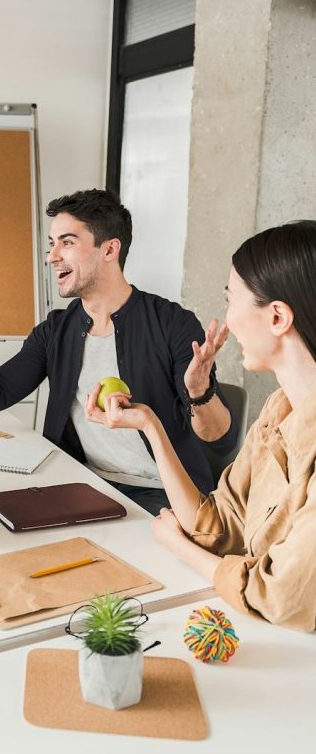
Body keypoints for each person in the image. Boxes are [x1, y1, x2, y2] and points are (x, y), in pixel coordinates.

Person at [0, 189, 238, 515]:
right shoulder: (56, 329)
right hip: (82, 483)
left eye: (67, 243)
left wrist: (199, 390)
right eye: (52, 244)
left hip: (163, 494)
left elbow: (219, 439)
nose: (51, 256)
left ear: (109, 249)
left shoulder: (172, 323)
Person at [86, 220, 316, 631]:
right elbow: (219, 525)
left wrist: (177, 545)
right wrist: (150, 425)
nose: (226, 317)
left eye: (232, 300)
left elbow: (280, 597)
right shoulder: (279, 410)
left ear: (277, 316)